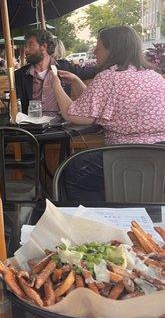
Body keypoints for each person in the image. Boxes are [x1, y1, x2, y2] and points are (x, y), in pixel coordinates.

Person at [51, 25, 165, 200]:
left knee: (73, 170)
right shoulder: (154, 76)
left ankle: (97, 220)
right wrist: (75, 80)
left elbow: (72, 114)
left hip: (127, 156)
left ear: (114, 50)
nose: (94, 50)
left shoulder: (109, 77)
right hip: (160, 155)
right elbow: (94, 106)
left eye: (99, 45)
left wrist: (55, 85)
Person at [14, 30, 95, 115]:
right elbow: (18, 106)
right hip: (33, 125)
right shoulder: (20, 75)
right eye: (26, 46)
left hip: (61, 124)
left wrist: (107, 64)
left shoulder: (64, 67)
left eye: (30, 45)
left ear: (44, 47)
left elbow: (89, 72)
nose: (26, 50)